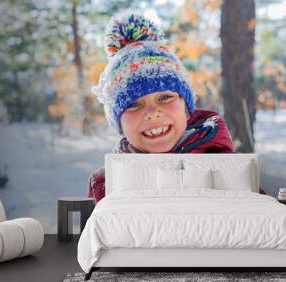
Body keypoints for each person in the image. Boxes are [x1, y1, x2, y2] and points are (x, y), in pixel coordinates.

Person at [88, 14, 235, 203]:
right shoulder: (105, 183)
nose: (152, 113)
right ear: (119, 124)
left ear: (186, 108)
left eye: (165, 97)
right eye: (133, 104)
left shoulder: (228, 166)